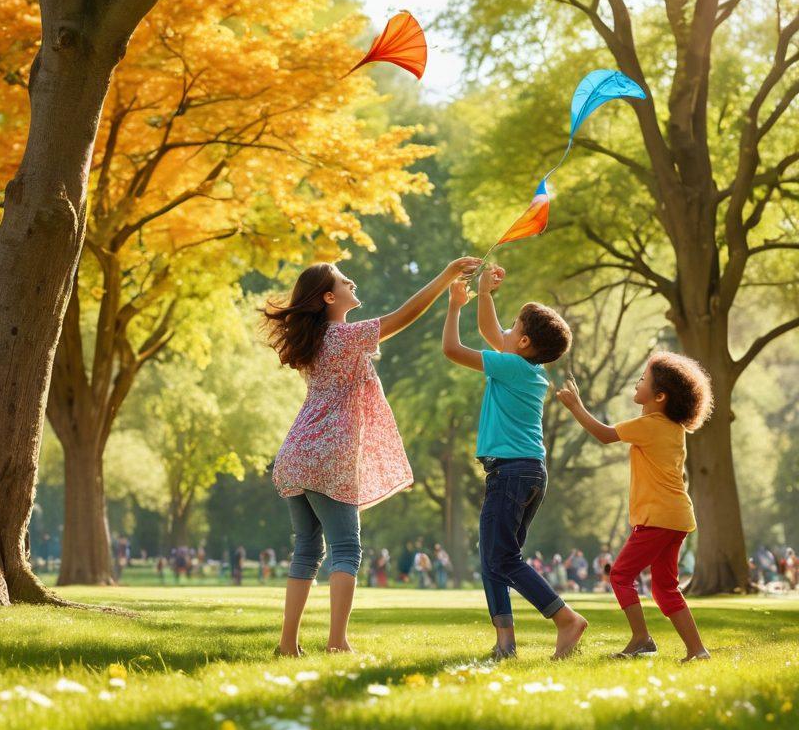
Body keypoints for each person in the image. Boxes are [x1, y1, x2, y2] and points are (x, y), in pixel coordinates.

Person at [266, 256, 480, 657]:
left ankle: (287, 645)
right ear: (329, 297)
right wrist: (446, 274)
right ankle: (337, 642)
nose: (353, 284)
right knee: (346, 549)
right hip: (329, 454)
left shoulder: (315, 342)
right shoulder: (342, 337)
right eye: (345, 282)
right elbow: (405, 315)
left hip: (297, 454)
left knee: (307, 551)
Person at [442, 263, 588, 660]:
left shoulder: (511, 367)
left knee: (502, 557)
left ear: (522, 343)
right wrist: (485, 294)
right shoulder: (526, 368)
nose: (502, 333)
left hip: (511, 472)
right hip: (526, 472)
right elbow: (494, 334)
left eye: (512, 329)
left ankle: (566, 619)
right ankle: (505, 643)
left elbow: (452, 350)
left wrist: (455, 306)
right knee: (494, 556)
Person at [557, 351, 713, 662]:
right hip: (677, 517)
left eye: (642, 379)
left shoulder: (651, 424)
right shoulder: (670, 427)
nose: (636, 383)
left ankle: (642, 638)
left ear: (659, 396)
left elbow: (604, 435)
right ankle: (698, 651)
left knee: (620, 575)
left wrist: (576, 406)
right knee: (665, 588)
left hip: (659, 518)